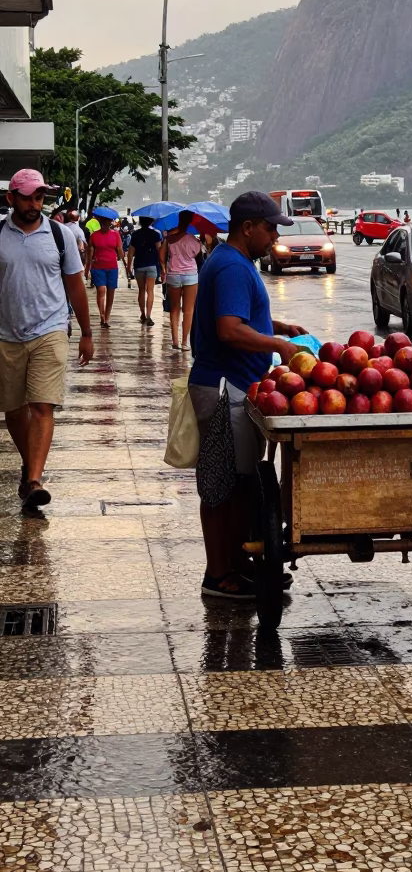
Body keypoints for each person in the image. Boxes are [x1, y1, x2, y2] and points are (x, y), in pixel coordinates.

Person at [189, 191, 306, 600]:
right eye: (271, 227)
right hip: (225, 386)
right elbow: (229, 329)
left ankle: (238, 563)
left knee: (238, 482)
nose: (275, 235)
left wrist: (278, 324)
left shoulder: (231, 262)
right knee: (223, 484)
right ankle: (218, 575)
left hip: (233, 383)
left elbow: (243, 316)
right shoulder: (234, 267)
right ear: (248, 228)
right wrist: (277, 345)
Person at [0, 169, 93, 508]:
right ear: (11, 198)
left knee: (42, 405)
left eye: (39, 197)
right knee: (13, 410)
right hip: (7, 334)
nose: (34, 203)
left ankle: (35, 479)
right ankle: (30, 466)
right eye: (26, 197)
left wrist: (86, 332)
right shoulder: (0, 234)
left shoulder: (59, 235)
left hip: (50, 330)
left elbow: (75, 286)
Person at [159, 210, 201, 351]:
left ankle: (175, 341)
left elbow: (161, 256)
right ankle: (185, 343)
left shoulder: (169, 239)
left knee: (174, 308)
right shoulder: (194, 240)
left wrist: (164, 268)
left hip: (173, 275)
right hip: (190, 275)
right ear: (191, 222)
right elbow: (197, 255)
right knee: (188, 309)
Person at [86, 214, 125, 327]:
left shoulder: (115, 234)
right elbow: (90, 253)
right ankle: (102, 315)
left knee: (111, 293)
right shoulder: (94, 236)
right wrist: (87, 268)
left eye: (108, 221)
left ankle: (107, 317)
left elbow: (120, 251)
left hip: (112, 267)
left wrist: (120, 253)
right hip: (98, 267)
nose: (106, 223)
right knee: (101, 290)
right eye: (104, 221)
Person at [126, 216, 163, 326]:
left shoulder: (135, 234)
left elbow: (131, 252)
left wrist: (129, 266)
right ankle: (148, 315)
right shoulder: (156, 234)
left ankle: (142, 314)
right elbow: (159, 251)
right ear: (151, 221)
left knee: (141, 290)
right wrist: (162, 266)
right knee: (150, 290)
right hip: (152, 265)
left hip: (139, 265)